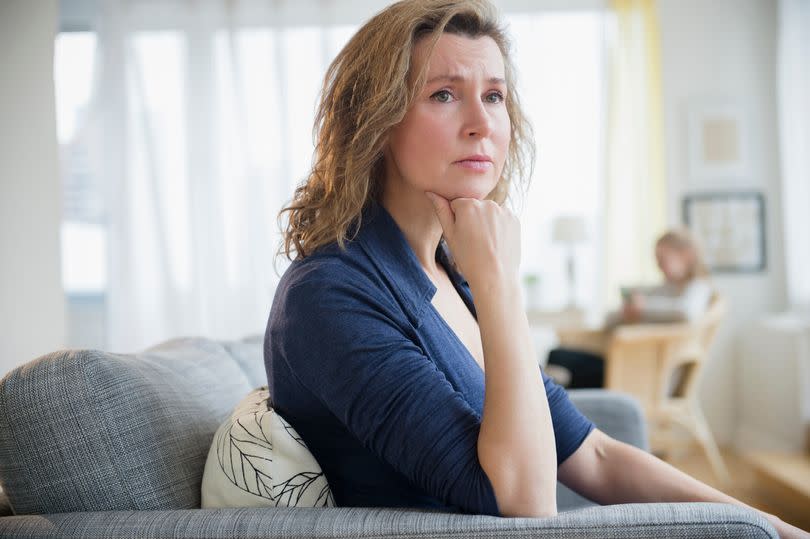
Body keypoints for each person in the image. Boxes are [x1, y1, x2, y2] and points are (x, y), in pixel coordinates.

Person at [264, 1, 807, 536]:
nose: (482, 123)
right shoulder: (330, 294)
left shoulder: (450, 273)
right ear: (376, 122)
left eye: (494, 96)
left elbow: (592, 455)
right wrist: (499, 281)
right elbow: (525, 504)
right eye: (444, 94)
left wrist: (766, 525)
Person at [545, 228, 714, 389]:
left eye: (662, 259)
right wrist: (627, 312)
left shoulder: (697, 287)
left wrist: (642, 309)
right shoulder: (663, 289)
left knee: (561, 359)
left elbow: (686, 312)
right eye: (657, 260)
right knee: (558, 355)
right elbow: (609, 320)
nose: (659, 266)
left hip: (644, 374)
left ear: (686, 255)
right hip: (629, 362)